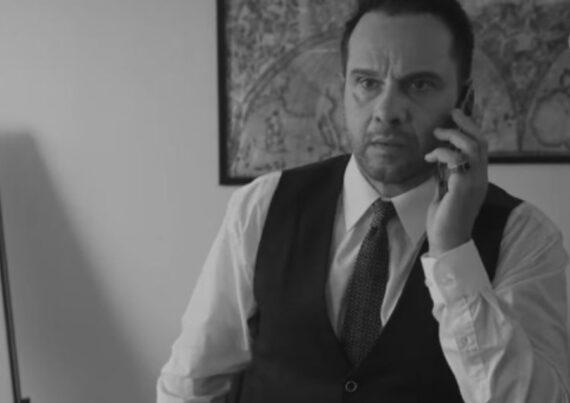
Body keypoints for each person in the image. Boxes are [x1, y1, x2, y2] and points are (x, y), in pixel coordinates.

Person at [157, 0, 570, 402]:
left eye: (419, 84)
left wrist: (454, 252)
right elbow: (191, 383)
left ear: (466, 103)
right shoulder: (262, 208)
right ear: (344, 89)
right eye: (367, 83)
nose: (386, 110)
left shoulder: (523, 236)